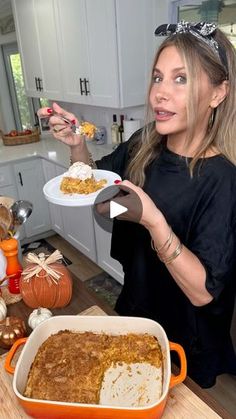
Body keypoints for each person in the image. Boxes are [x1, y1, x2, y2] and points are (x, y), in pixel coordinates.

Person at [38, 21, 236, 388]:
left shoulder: (222, 180)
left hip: (185, 337)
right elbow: (99, 185)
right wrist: (77, 146)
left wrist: (153, 221)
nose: (160, 93)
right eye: (157, 77)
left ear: (218, 93)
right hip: (136, 303)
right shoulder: (144, 142)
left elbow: (203, 291)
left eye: (181, 79)